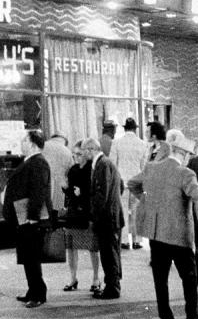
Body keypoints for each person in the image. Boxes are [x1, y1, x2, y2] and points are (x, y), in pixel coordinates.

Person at [127, 129, 198, 319]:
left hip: (156, 234)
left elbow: (132, 184)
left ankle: (166, 318)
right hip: (179, 234)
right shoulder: (185, 173)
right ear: (184, 154)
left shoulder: (151, 168)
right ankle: (192, 316)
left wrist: (148, 201)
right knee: (189, 278)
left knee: (160, 279)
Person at [2, 129, 53, 308]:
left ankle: (38, 294)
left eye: (24, 140)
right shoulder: (30, 161)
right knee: (27, 255)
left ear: (31, 143)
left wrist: (33, 216)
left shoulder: (38, 162)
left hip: (30, 220)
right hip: (22, 217)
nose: (21, 143)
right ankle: (32, 291)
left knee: (32, 256)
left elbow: (38, 191)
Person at [84, 137, 125, 300]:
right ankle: (112, 284)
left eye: (84, 151)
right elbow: (120, 185)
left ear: (90, 150)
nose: (83, 155)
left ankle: (112, 287)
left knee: (109, 254)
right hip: (112, 215)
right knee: (111, 252)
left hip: (107, 218)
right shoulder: (105, 163)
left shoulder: (102, 164)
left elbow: (102, 194)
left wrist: (95, 215)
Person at [61, 139, 100, 292]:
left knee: (92, 247)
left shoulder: (92, 169)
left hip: (87, 213)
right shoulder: (73, 170)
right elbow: (71, 191)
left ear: (86, 153)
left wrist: (80, 193)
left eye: (79, 153)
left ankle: (96, 278)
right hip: (73, 212)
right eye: (74, 154)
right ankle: (73, 278)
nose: (76, 157)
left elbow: (93, 192)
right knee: (71, 247)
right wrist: (68, 190)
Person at [112, 117, 147, 249]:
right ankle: (137, 240)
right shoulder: (142, 144)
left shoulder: (117, 143)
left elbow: (113, 164)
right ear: (135, 129)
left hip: (122, 182)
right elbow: (144, 167)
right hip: (137, 183)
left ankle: (124, 240)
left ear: (124, 128)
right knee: (137, 212)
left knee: (123, 211)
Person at [43, 134, 74, 223]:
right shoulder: (67, 151)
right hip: (58, 189)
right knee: (54, 217)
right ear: (64, 141)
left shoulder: (43, 145)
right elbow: (71, 172)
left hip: (42, 186)